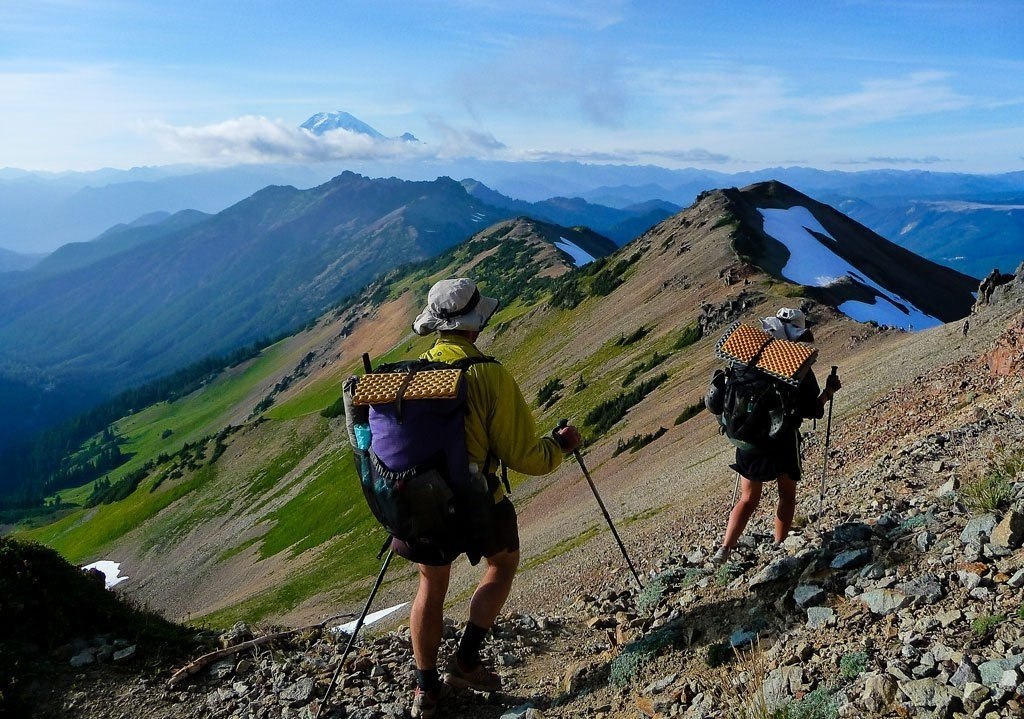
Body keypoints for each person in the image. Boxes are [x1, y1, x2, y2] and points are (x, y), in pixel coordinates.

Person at [402, 278, 582, 718]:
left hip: (420, 503)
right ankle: (466, 660)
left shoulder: (409, 374)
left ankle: (425, 689)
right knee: (502, 563)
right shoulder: (488, 374)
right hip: (476, 501)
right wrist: (560, 446)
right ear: (474, 323)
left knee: (431, 583)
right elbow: (525, 456)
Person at [712, 307, 841, 564]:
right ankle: (779, 546)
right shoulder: (796, 366)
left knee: (748, 498)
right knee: (787, 494)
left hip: (746, 436)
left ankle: (724, 549)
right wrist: (828, 392)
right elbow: (812, 409)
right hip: (782, 439)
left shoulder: (744, 359)